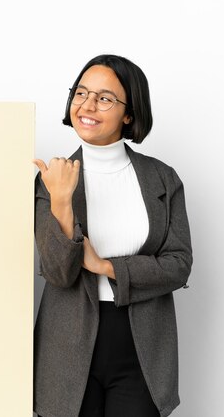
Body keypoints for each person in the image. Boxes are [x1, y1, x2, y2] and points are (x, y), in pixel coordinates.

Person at [32, 54, 193, 417]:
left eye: (104, 98)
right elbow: (58, 273)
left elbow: (179, 265)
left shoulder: (162, 179)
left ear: (129, 114)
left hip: (143, 348)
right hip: (66, 347)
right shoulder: (52, 180)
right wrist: (60, 201)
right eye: (81, 93)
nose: (87, 105)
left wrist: (105, 266)